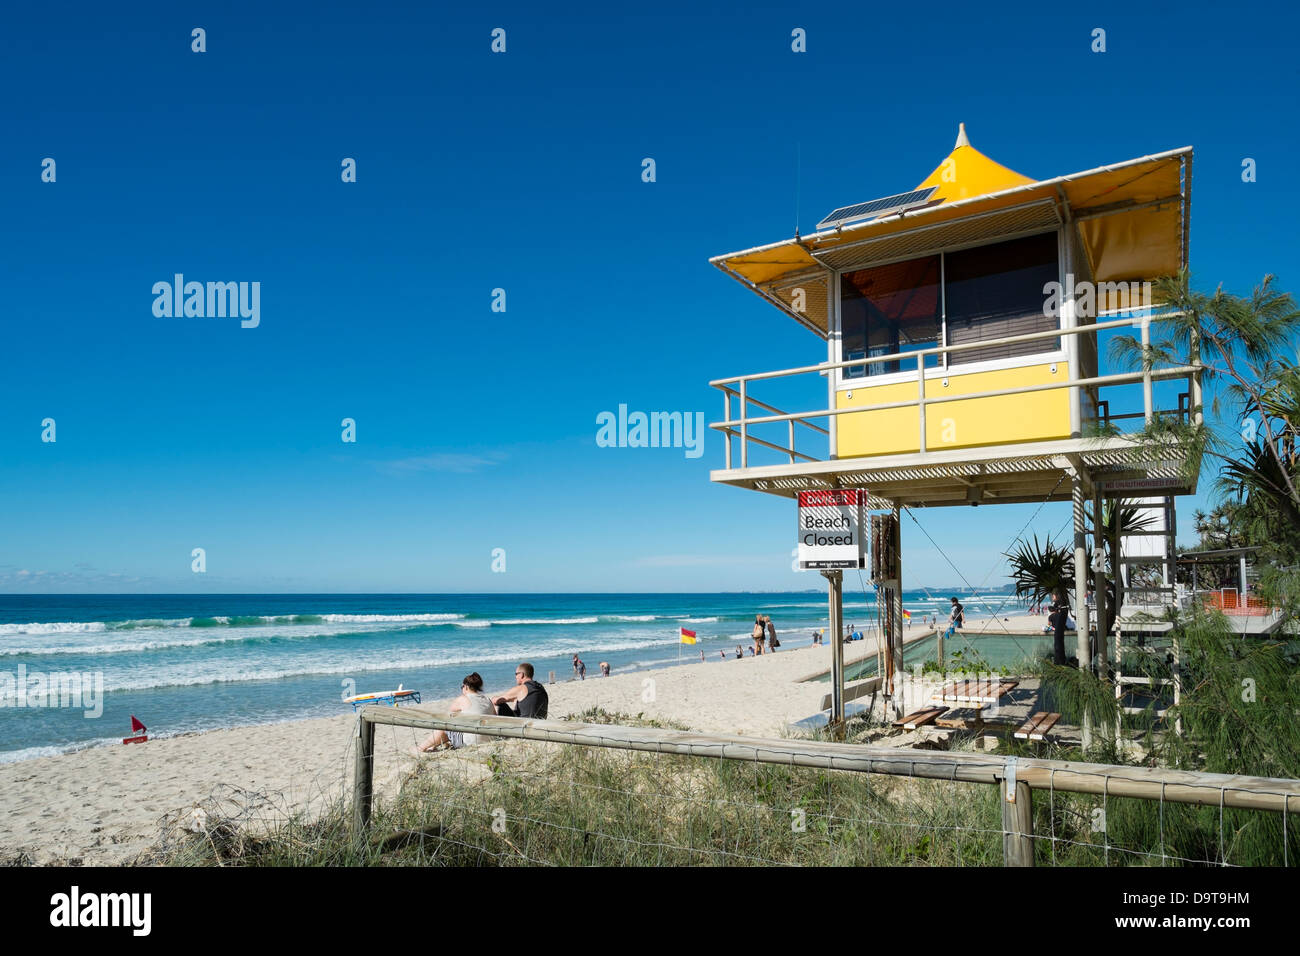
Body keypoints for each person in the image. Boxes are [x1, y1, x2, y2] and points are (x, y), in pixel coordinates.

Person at [412, 672, 494, 753]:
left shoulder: (463, 699)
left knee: (444, 726)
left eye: (462, 687)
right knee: (454, 730)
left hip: (470, 743)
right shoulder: (487, 699)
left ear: (466, 687)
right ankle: (433, 745)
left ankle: (420, 748)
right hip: (489, 740)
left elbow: (448, 717)